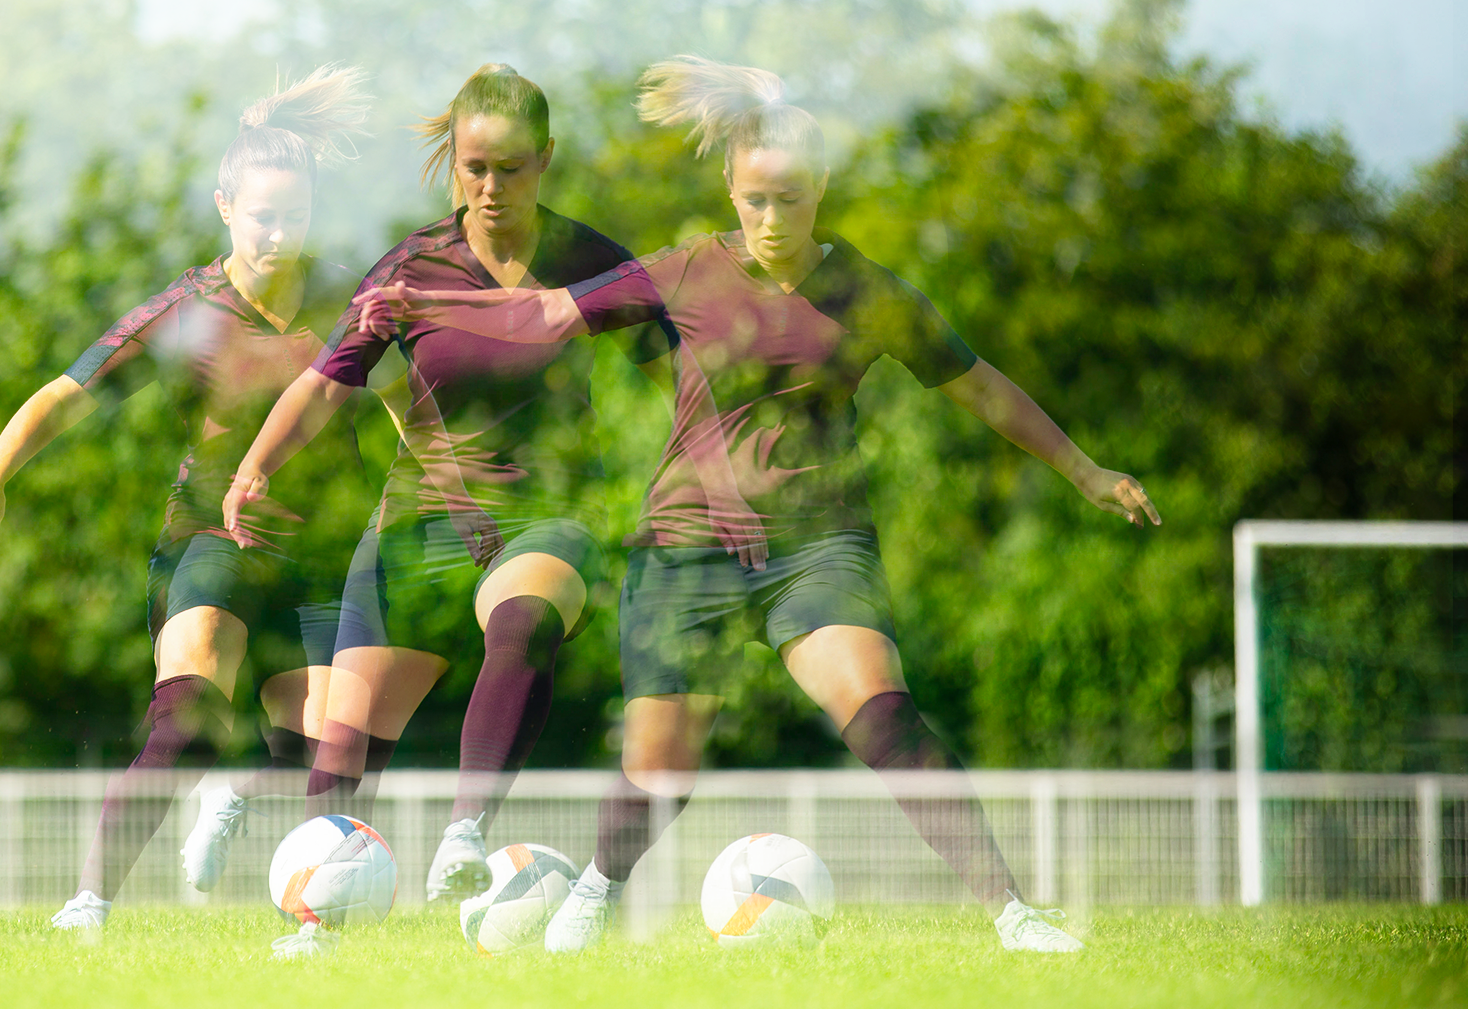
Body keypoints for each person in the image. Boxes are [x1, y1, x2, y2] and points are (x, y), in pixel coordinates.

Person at [354, 56, 1158, 953]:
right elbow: (540, 315)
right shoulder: (680, 271)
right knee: (660, 767)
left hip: (819, 547)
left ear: (822, 189)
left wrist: (1083, 469)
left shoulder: (871, 294)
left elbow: (978, 386)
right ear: (731, 192)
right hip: (684, 546)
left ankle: (1013, 916)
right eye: (753, 201)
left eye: (791, 199)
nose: (771, 220)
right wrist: (417, 302)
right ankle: (594, 893)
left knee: (882, 711)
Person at [222, 64, 722, 924]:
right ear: (454, 162)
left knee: (525, 622)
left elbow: (683, 372)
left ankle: (464, 832)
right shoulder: (410, 265)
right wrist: (255, 465)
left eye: (513, 169)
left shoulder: (589, 260)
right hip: (421, 523)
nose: (492, 187)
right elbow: (324, 383)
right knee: (341, 754)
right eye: (475, 168)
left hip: (546, 516)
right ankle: (316, 933)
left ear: (547, 160)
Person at [0, 64, 379, 930]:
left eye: (293, 215)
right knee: (187, 708)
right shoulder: (191, 310)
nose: (278, 232)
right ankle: (88, 904)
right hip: (212, 536)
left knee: (325, 757)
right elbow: (69, 390)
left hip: (324, 547)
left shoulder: (347, 301)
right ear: (225, 206)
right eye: (261, 215)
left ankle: (315, 936)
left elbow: (407, 401)